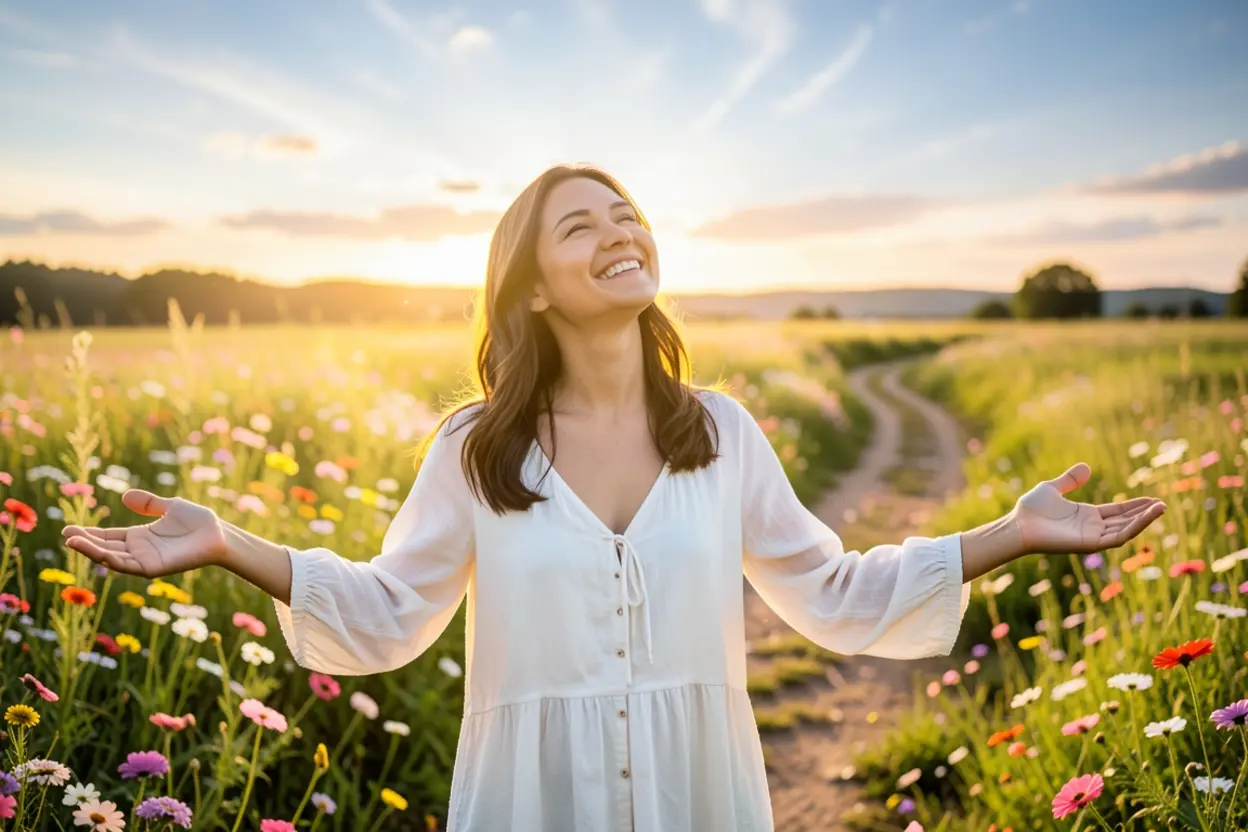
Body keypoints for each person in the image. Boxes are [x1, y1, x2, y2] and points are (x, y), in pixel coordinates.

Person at [62, 163, 1167, 832]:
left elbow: (832, 588)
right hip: (531, 800)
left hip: (701, 795)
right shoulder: (477, 448)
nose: (620, 232)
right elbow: (389, 607)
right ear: (534, 288)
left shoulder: (720, 431)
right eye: (580, 226)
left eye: (626, 212)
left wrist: (1010, 533)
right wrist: (226, 543)